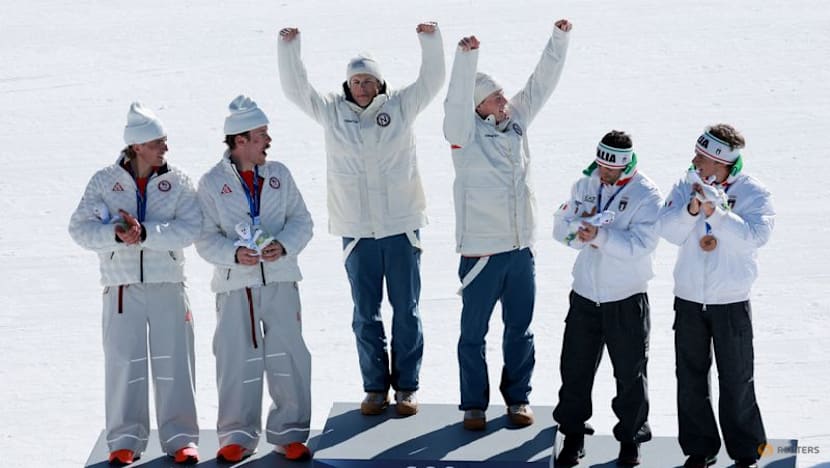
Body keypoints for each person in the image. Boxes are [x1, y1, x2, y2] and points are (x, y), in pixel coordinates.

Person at [277, 22, 445, 416]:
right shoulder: (332, 113)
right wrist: (289, 48)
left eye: (369, 81)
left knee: (407, 310)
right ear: (347, 85)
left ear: (380, 84)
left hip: (401, 227)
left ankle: (406, 387)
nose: (362, 87)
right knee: (365, 314)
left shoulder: (401, 106)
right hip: (356, 231)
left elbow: (433, 79)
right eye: (356, 81)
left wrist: (430, 41)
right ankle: (374, 387)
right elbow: (295, 90)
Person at [443, 19, 572, 430]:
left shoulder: (516, 122)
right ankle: (473, 406)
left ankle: (518, 399)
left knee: (520, 329)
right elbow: (454, 103)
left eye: (502, 94)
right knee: (473, 335)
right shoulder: (463, 136)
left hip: (519, 251)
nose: (504, 101)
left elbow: (541, 83)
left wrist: (559, 38)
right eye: (495, 97)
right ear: (477, 105)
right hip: (481, 254)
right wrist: (467, 60)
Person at [68, 103, 201, 466]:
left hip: (168, 284)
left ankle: (181, 440)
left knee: (175, 362)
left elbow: (190, 229)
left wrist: (146, 236)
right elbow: (79, 229)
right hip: (122, 288)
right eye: (158, 142)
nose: (165, 148)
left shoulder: (178, 181)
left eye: (165, 141)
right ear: (137, 146)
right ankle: (125, 440)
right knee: (124, 363)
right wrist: (115, 233)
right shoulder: (103, 181)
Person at [195, 95, 314, 463]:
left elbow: (302, 222)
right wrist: (234, 254)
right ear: (239, 141)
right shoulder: (212, 183)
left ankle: (290, 433)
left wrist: (284, 245)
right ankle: (236, 435)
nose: (268, 141)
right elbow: (204, 237)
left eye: (266, 133)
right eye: (261, 134)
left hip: (280, 281)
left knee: (288, 356)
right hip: (236, 287)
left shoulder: (279, 174)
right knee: (236, 359)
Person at [658, 124, 774, 468]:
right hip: (690, 297)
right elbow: (667, 230)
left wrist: (718, 215)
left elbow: (756, 236)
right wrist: (691, 211)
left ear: (720, 163)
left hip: (731, 300)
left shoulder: (754, 192)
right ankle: (699, 449)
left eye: (702, 157)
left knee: (737, 378)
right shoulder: (685, 184)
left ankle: (748, 452)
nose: (694, 160)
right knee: (690, 377)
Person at [551, 131, 662, 466]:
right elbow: (561, 227)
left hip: (625, 297)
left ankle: (631, 438)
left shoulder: (647, 195)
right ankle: (572, 435)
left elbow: (641, 245)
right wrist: (577, 234)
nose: (603, 172)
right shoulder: (585, 184)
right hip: (585, 294)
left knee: (629, 373)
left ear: (626, 164)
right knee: (574, 369)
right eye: (600, 164)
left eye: (610, 168)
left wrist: (600, 236)